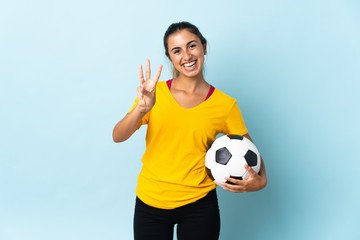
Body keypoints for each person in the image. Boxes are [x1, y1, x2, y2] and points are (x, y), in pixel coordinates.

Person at [112, 21, 267, 240]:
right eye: (177, 50)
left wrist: (261, 181)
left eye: (192, 46)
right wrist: (140, 109)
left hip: (199, 205)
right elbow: (118, 136)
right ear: (170, 58)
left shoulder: (225, 105)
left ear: (203, 46)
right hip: (151, 201)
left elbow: (250, 153)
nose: (186, 56)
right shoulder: (154, 94)